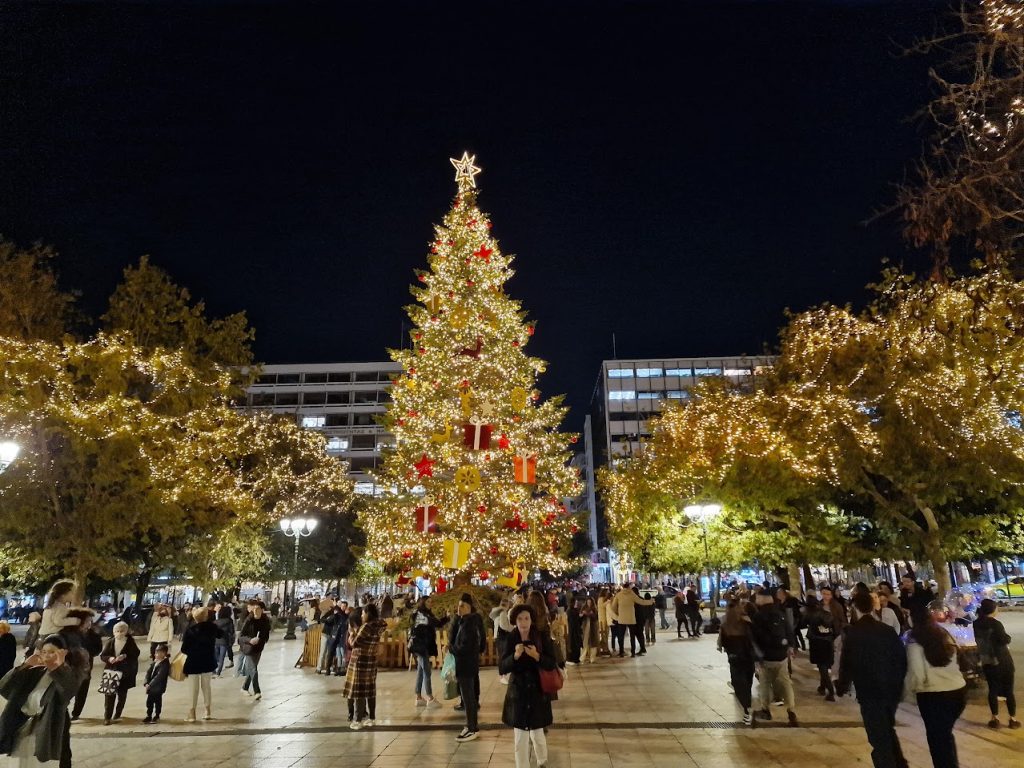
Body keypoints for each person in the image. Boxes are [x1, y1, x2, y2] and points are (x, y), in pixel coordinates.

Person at [835, 590, 909, 768]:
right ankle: (899, 762)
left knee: (877, 734)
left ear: (855, 608)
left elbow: (847, 663)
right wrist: (899, 684)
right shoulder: (887, 631)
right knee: (887, 728)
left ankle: (888, 763)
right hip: (890, 689)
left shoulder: (853, 634)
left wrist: (842, 685)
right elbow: (901, 659)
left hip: (869, 690)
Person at [904, 604, 967, 768]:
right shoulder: (943, 633)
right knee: (945, 734)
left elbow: (918, 674)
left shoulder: (914, 640)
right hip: (958, 691)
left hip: (933, 696)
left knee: (937, 740)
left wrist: (909, 694)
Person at [0, 634, 77, 768]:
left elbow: (67, 692)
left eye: (52, 652)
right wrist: (24, 666)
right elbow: (4, 688)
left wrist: (58, 668)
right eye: (44, 652)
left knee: (47, 760)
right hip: (23, 721)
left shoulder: (67, 673)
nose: (47, 656)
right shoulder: (35, 671)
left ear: (62, 653)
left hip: (49, 722)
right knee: (21, 760)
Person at [500, 605, 556, 768]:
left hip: (537, 691)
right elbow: (502, 667)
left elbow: (551, 663)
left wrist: (536, 656)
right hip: (518, 693)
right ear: (514, 621)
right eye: (519, 619)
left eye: (526, 618)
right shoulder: (511, 638)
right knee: (520, 737)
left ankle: (542, 762)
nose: (523, 622)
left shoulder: (541, 636)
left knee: (538, 733)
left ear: (531, 620)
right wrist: (515, 656)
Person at [750, 591, 798, 726]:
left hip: (766, 657)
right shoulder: (780, 613)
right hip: (781, 656)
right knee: (786, 683)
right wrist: (790, 646)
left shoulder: (759, 617)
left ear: (762, 600)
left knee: (765, 683)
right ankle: (791, 711)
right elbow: (789, 631)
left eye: (758, 598)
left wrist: (756, 658)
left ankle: (765, 709)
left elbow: (754, 639)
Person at [973, 598, 1018, 729]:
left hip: (987, 660)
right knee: (1009, 690)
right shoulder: (996, 624)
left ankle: (994, 718)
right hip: (1002, 660)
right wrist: (1008, 638)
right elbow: (1004, 639)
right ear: (992, 610)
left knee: (992, 689)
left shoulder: (976, 623)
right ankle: (1012, 719)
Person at [343, 603, 387, 730]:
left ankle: (357, 720)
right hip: (371, 660)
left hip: (360, 660)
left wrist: (351, 634)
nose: (362, 616)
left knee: (360, 691)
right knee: (370, 690)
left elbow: (355, 643)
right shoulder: (379, 625)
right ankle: (372, 718)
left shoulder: (367, 626)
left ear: (368, 613)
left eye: (363, 613)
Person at [450, 593, 485, 743]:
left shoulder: (470, 624)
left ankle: (473, 728)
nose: (459, 608)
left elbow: (465, 648)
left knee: (469, 698)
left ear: (469, 607)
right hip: (468, 664)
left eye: (462, 606)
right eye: (458, 606)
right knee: (468, 696)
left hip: (466, 664)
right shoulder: (465, 621)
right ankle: (469, 725)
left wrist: (452, 649)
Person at [718, 599, 756, 726]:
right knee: (747, 682)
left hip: (734, 657)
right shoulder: (747, 623)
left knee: (739, 683)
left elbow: (724, 643)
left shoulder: (725, 625)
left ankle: (747, 708)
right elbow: (752, 640)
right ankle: (748, 706)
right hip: (748, 657)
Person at [181, 607, 222, 722]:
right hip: (207, 661)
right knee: (206, 687)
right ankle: (207, 710)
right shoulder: (212, 627)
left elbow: (184, 649)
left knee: (193, 689)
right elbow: (221, 634)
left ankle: (192, 713)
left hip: (193, 662)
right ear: (206, 616)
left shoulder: (191, 630)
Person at [98, 622, 139, 726]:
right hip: (111, 672)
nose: (119, 633)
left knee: (122, 695)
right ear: (113, 632)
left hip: (125, 673)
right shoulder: (111, 642)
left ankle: (118, 713)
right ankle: (107, 717)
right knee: (109, 695)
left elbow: (135, 654)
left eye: (122, 631)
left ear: (126, 632)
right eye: (117, 631)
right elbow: (103, 655)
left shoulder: (130, 642)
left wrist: (125, 656)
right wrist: (110, 658)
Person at [409, 596, 448, 707]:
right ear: (423, 602)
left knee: (421, 671)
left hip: (423, 645)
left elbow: (438, 623)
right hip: (420, 646)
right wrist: (446, 618)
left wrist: (446, 617)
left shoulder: (427, 613)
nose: (431, 603)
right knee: (427, 671)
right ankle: (430, 697)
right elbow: (434, 622)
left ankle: (418, 696)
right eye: (428, 601)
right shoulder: (421, 614)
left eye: (431, 601)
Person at [803, 595, 838, 700]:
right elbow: (835, 630)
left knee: (822, 668)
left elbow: (803, 623)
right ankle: (822, 687)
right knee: (825, 665)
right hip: (828, 642)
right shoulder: (827, 614)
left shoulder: (809, 614)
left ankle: (830, 691)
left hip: (817, 643)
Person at [237, 600, 271, 701]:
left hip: (259, 647)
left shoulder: (265, 620)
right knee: (253, 669)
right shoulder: (249, 620)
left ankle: (244, 687)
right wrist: (250, 640)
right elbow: (241, 636)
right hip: (249, 648)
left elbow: (266, 633)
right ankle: (257, 691)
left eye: (259, 609)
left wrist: (262, 639)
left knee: (253, 668)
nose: (257, 611)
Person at [609, 585, 653, 657]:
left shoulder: (618, 595)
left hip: (622, 618)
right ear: (629, 587)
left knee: (621, 636)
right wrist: (650, 602)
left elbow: (613, 607)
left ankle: (621, 652)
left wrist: (618, 613)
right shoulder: (632, 594)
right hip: (631, 618)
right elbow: (641, 601)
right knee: (632, 636)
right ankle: (632, 652)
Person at [142, 644, 170, 724]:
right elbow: (148, 673)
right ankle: (149, 715)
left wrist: (150, 684)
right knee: (149, 702)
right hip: (151, 687)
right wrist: (146, 683)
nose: (158, 655)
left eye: (161, 653)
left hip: (158, 687)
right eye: (157, 653)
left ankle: (157, 715)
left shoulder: (165, 664)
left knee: (157, 702)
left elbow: (159, 676)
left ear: (165, 654)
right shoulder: (154, 662)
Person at [213, 606, 234, 677]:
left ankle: (213, 671)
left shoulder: (215, 622)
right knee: (222, 658)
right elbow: (231, 632)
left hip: (215, 641)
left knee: (215, 657)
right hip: (224, 641)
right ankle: (218, 673)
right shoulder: (229, 621)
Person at [579, 597, 600, 664]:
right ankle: (582, 658)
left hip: (592, 628)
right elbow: (580, 617)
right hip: (585, 628)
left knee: (593, 644)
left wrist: (591, 614)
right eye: (588, 602)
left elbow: (596, 617)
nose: (589, 604)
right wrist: (582, 615)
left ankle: (592, 658)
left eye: (590, 602)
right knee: (584, 643)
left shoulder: (594, 609)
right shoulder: (583, 608)